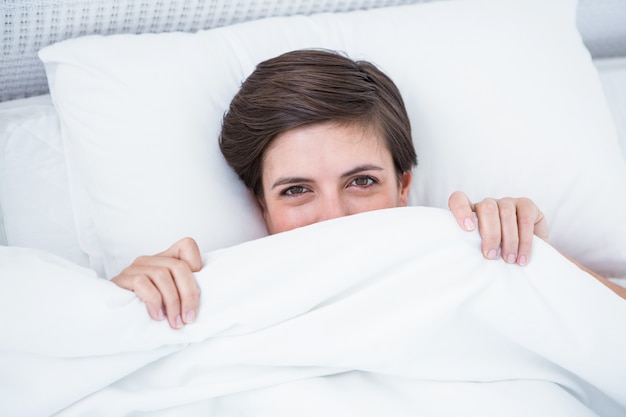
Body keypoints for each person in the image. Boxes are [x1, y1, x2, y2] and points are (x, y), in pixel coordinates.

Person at [112, 49, 624, 330]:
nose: (336, 217)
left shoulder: (468, 259)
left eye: (362, 181)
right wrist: (119, 306)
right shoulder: (212, 298)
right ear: (260, 205)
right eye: (295, 191)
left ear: (404, 186)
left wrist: (547, 268)